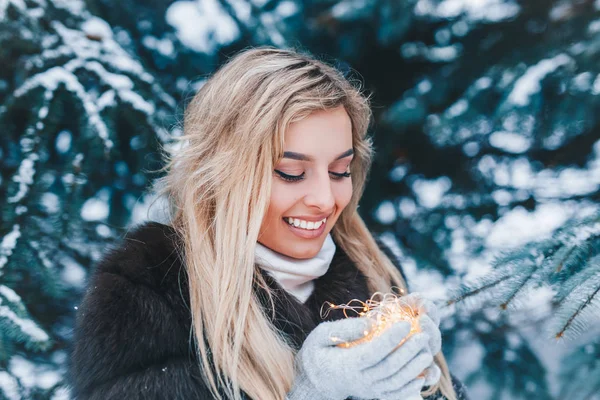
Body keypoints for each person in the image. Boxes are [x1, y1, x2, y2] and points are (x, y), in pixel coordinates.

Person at [66, 47, 468, 400]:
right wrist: (309, 391)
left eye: (340, 170)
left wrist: (420, 389)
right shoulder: (144, 289)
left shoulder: (371, 268)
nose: (325, 200)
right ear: (224, 171)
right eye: (291, 172)